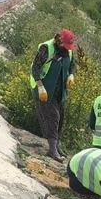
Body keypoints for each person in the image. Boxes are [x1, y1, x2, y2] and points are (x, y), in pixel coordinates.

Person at [30, 29, 76, 162]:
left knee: (61, 118)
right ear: (59, 41)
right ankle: (52, 150)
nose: (67, 49)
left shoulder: (68, 50)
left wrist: (71, 74)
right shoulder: (46, 48)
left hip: (60, 90)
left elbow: (72, 65)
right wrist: (40, 86)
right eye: (65, 46)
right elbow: (35, 68)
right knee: (53, 117)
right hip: (44, 89)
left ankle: (56, 145)